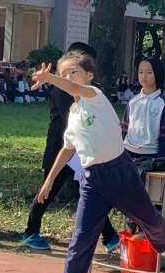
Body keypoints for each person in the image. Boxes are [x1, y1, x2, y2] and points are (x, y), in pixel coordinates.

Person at [31, 50, 165, 273]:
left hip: (120, 172)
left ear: (89, 75)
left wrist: (50, 78)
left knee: (151, 221)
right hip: (92, 181)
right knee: (80, 242)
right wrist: (49, 180)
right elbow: (67, 148)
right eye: (63, 74)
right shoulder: (73, 114)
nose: (68, 78)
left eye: (73, 72)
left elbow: (74, 88)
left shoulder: (95, 96)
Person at [21, 42, 118, 253]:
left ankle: (109, 235)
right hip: (62, 148)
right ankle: (30, 231)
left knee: (88, 192)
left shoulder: (88, 91)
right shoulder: (63, 90)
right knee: (49, 190)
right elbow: (75, 122)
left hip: (77, 151)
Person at [121, 57, 165, 159]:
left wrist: (162, 159)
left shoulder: (161, 103)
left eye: (149, 73)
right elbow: (124, 128)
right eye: (140, 72)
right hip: (129, 151)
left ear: (157, 74)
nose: (144, 76)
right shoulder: (133, 102)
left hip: (151, 153)